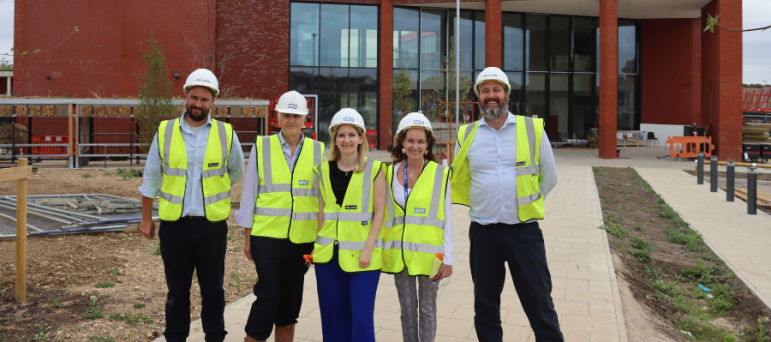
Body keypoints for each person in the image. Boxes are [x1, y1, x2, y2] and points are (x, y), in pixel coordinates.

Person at [451, 67, 562, 342]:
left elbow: (550, 177)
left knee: (539, 301)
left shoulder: (531, 128)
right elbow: (457, 176)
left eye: (496, 90)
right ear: (479, 97)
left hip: (523, 231)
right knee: (485, 305)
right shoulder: (466, 135)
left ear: (506, 95)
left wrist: (527, 204)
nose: (491, 96)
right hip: (483, 232)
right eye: (485, 91)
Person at [139, 68, 245, 342]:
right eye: (194, 97)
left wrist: (215, 190)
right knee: (177, 292)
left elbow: (236, 171)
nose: (198, 104)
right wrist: (146, 218)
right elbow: (151, 176)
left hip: (211, 227)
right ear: (185, 96)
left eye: (204, 99)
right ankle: (175, 337)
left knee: (213, 290)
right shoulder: (165, 131)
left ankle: (214, 337)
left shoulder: (225, 133)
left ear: (213, 102)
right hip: (175, 227)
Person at [235, 91, 325, 342]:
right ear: (278, 117)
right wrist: (247, 238)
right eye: (286, 115)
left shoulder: (318, 151)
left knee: (291, 299)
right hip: (267, 237)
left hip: (303, 240)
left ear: (305, 118)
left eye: (296, 115)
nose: (291, 120)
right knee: (268, 294)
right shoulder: (262, 147)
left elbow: (321, 201)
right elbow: (249, 195)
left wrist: (319, 241)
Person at [312, 108, 387, 342]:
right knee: (334, 316)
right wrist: (317, 246)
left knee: (362, 317)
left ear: (361, 138)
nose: (347, 140)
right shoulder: (323, 170)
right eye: (341, 135)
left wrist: (368, 248)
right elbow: (323, 210)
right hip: (329, 256)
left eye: (352, 135)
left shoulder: (375, 170)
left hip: (364, 257)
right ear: (334, 139)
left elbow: (380, 212)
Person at [383, 112, 453, 342]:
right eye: (410, 140)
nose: (415, 146)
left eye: (421, 141)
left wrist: (448, 259)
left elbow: (448, 218)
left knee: (427, 311)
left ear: (428, 144)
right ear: (402, 142)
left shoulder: (440, 174)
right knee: (407, 312)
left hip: (430, 256)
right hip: (400, 255)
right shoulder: (388, 172)